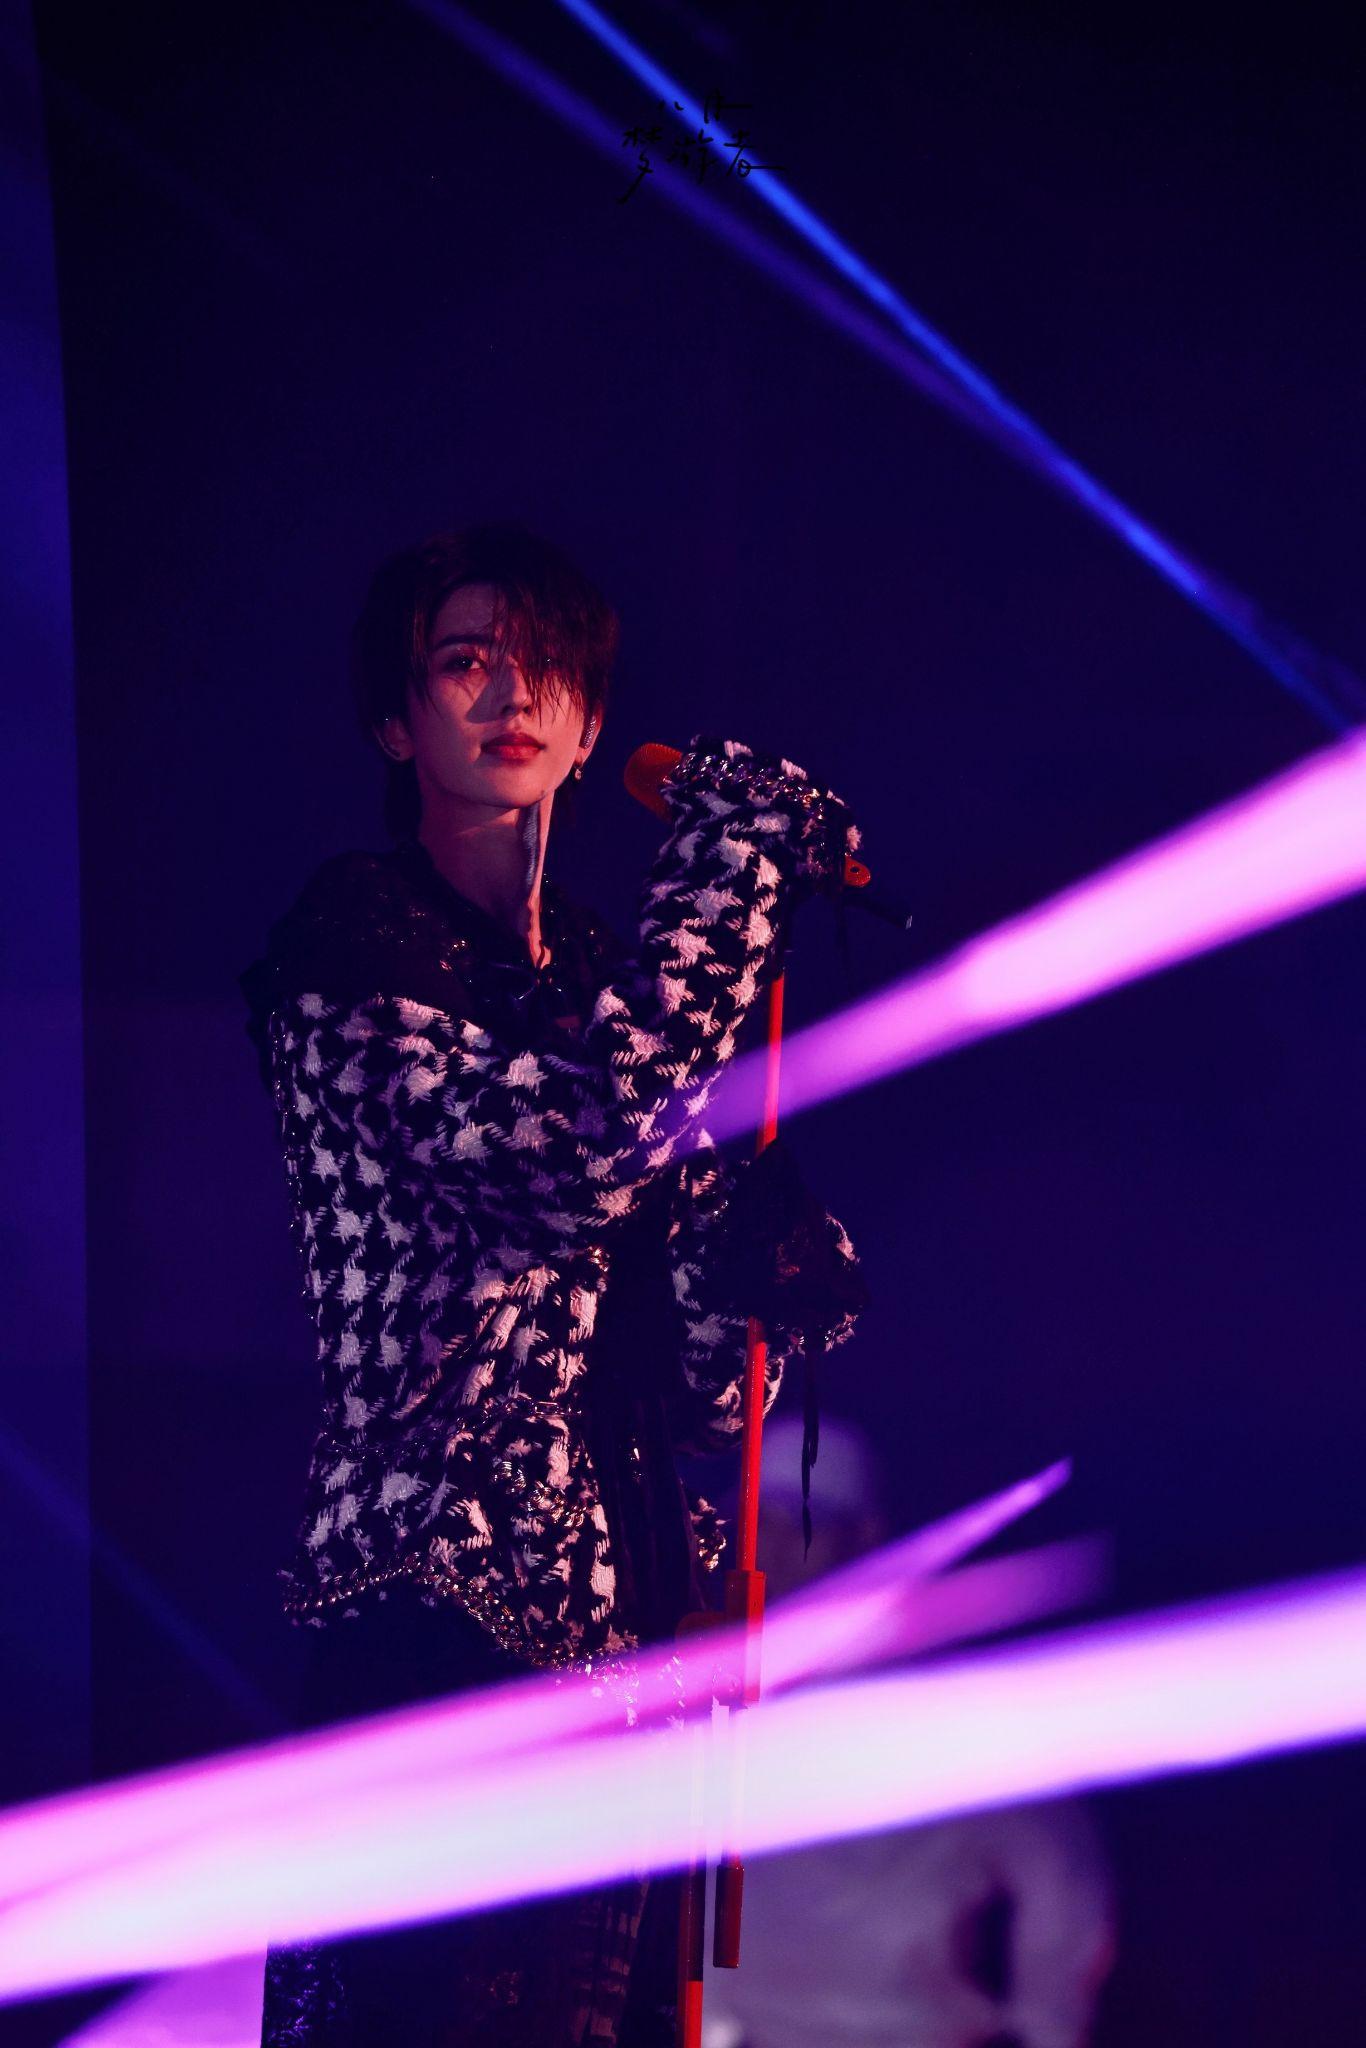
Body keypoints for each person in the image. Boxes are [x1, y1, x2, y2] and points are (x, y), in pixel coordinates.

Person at [238, 520, 871, 2046]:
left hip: (624, 1634)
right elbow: (580, 1154)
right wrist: (730, 869)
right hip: (437, 1617)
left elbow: (691, 1380)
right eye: (465, 661)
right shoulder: (355, 949)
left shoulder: (597, 988)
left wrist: (743, 1276)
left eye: (545, 669)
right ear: (397, 720)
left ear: (590, 729)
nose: (510, 692)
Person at [701, 1417, 1116, 2048]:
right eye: (760, 1526)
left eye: (798, 1525)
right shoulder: (718, 1700)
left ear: (863, 1537)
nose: (774, 1550)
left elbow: (1061, 1873)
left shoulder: (952, 1710)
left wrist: (1046, 2026)